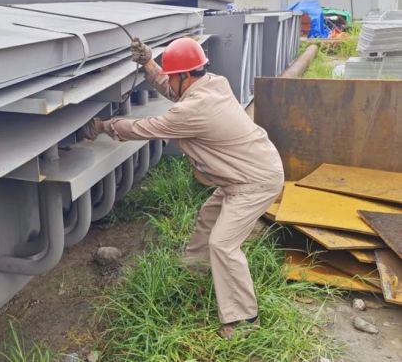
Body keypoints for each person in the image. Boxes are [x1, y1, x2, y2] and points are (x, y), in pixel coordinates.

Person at [77, 37, 284, 339]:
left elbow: (146, 128)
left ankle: (244, 320)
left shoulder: (193, 111)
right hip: (247, 172)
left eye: (172, 75)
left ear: (185, 75)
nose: (170, 81)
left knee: (223, 244)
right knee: (209, 216)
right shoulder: (212, 83)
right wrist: (148, 63)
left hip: (254, 181)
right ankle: (195, 269)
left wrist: (104, 126)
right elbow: (173, 89)